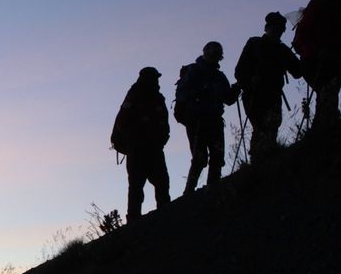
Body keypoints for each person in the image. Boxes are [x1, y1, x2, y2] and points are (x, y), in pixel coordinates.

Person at [235, 12, 303, 160]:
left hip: (273, 95)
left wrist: (301, 50)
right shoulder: (254, 43)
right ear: (267, 28)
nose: (278, 32)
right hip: (254, 94)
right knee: (261, 126)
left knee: (271, 126)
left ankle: (264, 159)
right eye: (276, 28)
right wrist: (250, 82)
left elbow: (298, 71)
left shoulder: (282, 50)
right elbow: (239, 71)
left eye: (281, 29)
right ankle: (259, 160)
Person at [175, 41, 241, 193]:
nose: (214, 57)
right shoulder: (194, 70)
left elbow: (228, 99)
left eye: (216, 54)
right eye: (212, 53)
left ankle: (213, 187)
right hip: (197, 119)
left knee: (217, 155)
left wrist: (237, 89)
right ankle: (190, 191)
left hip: (214, 119)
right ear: (205, 52)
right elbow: (182, 94)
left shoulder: (219, 76)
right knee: (200, 157)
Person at [293, 0, 341, 130]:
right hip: (314, 60)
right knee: (327, 92)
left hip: (334, 59)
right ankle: (325, 128)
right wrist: (316, 51)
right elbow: (303, 32)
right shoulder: (320, 2)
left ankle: (323, 129)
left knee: (329, 94)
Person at [110, 66, 171, 224]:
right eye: (154, 77)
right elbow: (124, 122)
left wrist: (161, 139)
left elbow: (164, 121)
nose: (156, 81)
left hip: (153, 148)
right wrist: (135, 141)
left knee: (160, 182)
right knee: (138, 185)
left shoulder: (157, 98)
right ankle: (134, 221)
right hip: (137, 149)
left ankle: (164, 214)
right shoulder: (135, 96)